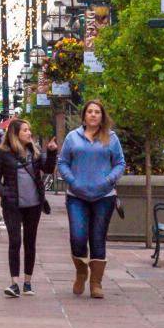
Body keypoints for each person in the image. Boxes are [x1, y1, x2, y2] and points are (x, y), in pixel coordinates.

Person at [58, 100, 126, 299]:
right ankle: (81, 272)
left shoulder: (111, 138)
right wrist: (72, 180)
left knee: (98, 237)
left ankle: (96, 283)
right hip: (76, 195)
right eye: (90, 111)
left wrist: (109, 179)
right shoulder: (73, 137)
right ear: (84, 116)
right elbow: (63, 162)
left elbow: (120, 163)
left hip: (103, 195)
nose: (94, 115)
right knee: (78, 236)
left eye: (97, 112)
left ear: (102, 116)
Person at [0, 119, 57, 297]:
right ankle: (14, 283)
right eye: (25, 130)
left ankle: (27, 282)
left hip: (34, 205)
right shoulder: (3, 153)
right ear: (16, 133)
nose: (29, 133)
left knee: (30, 242)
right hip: (13, 205)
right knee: (15, 241)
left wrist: (51, 153)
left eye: (29, 130)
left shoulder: (35, 152)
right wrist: (5, 194)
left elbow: (48, 169)